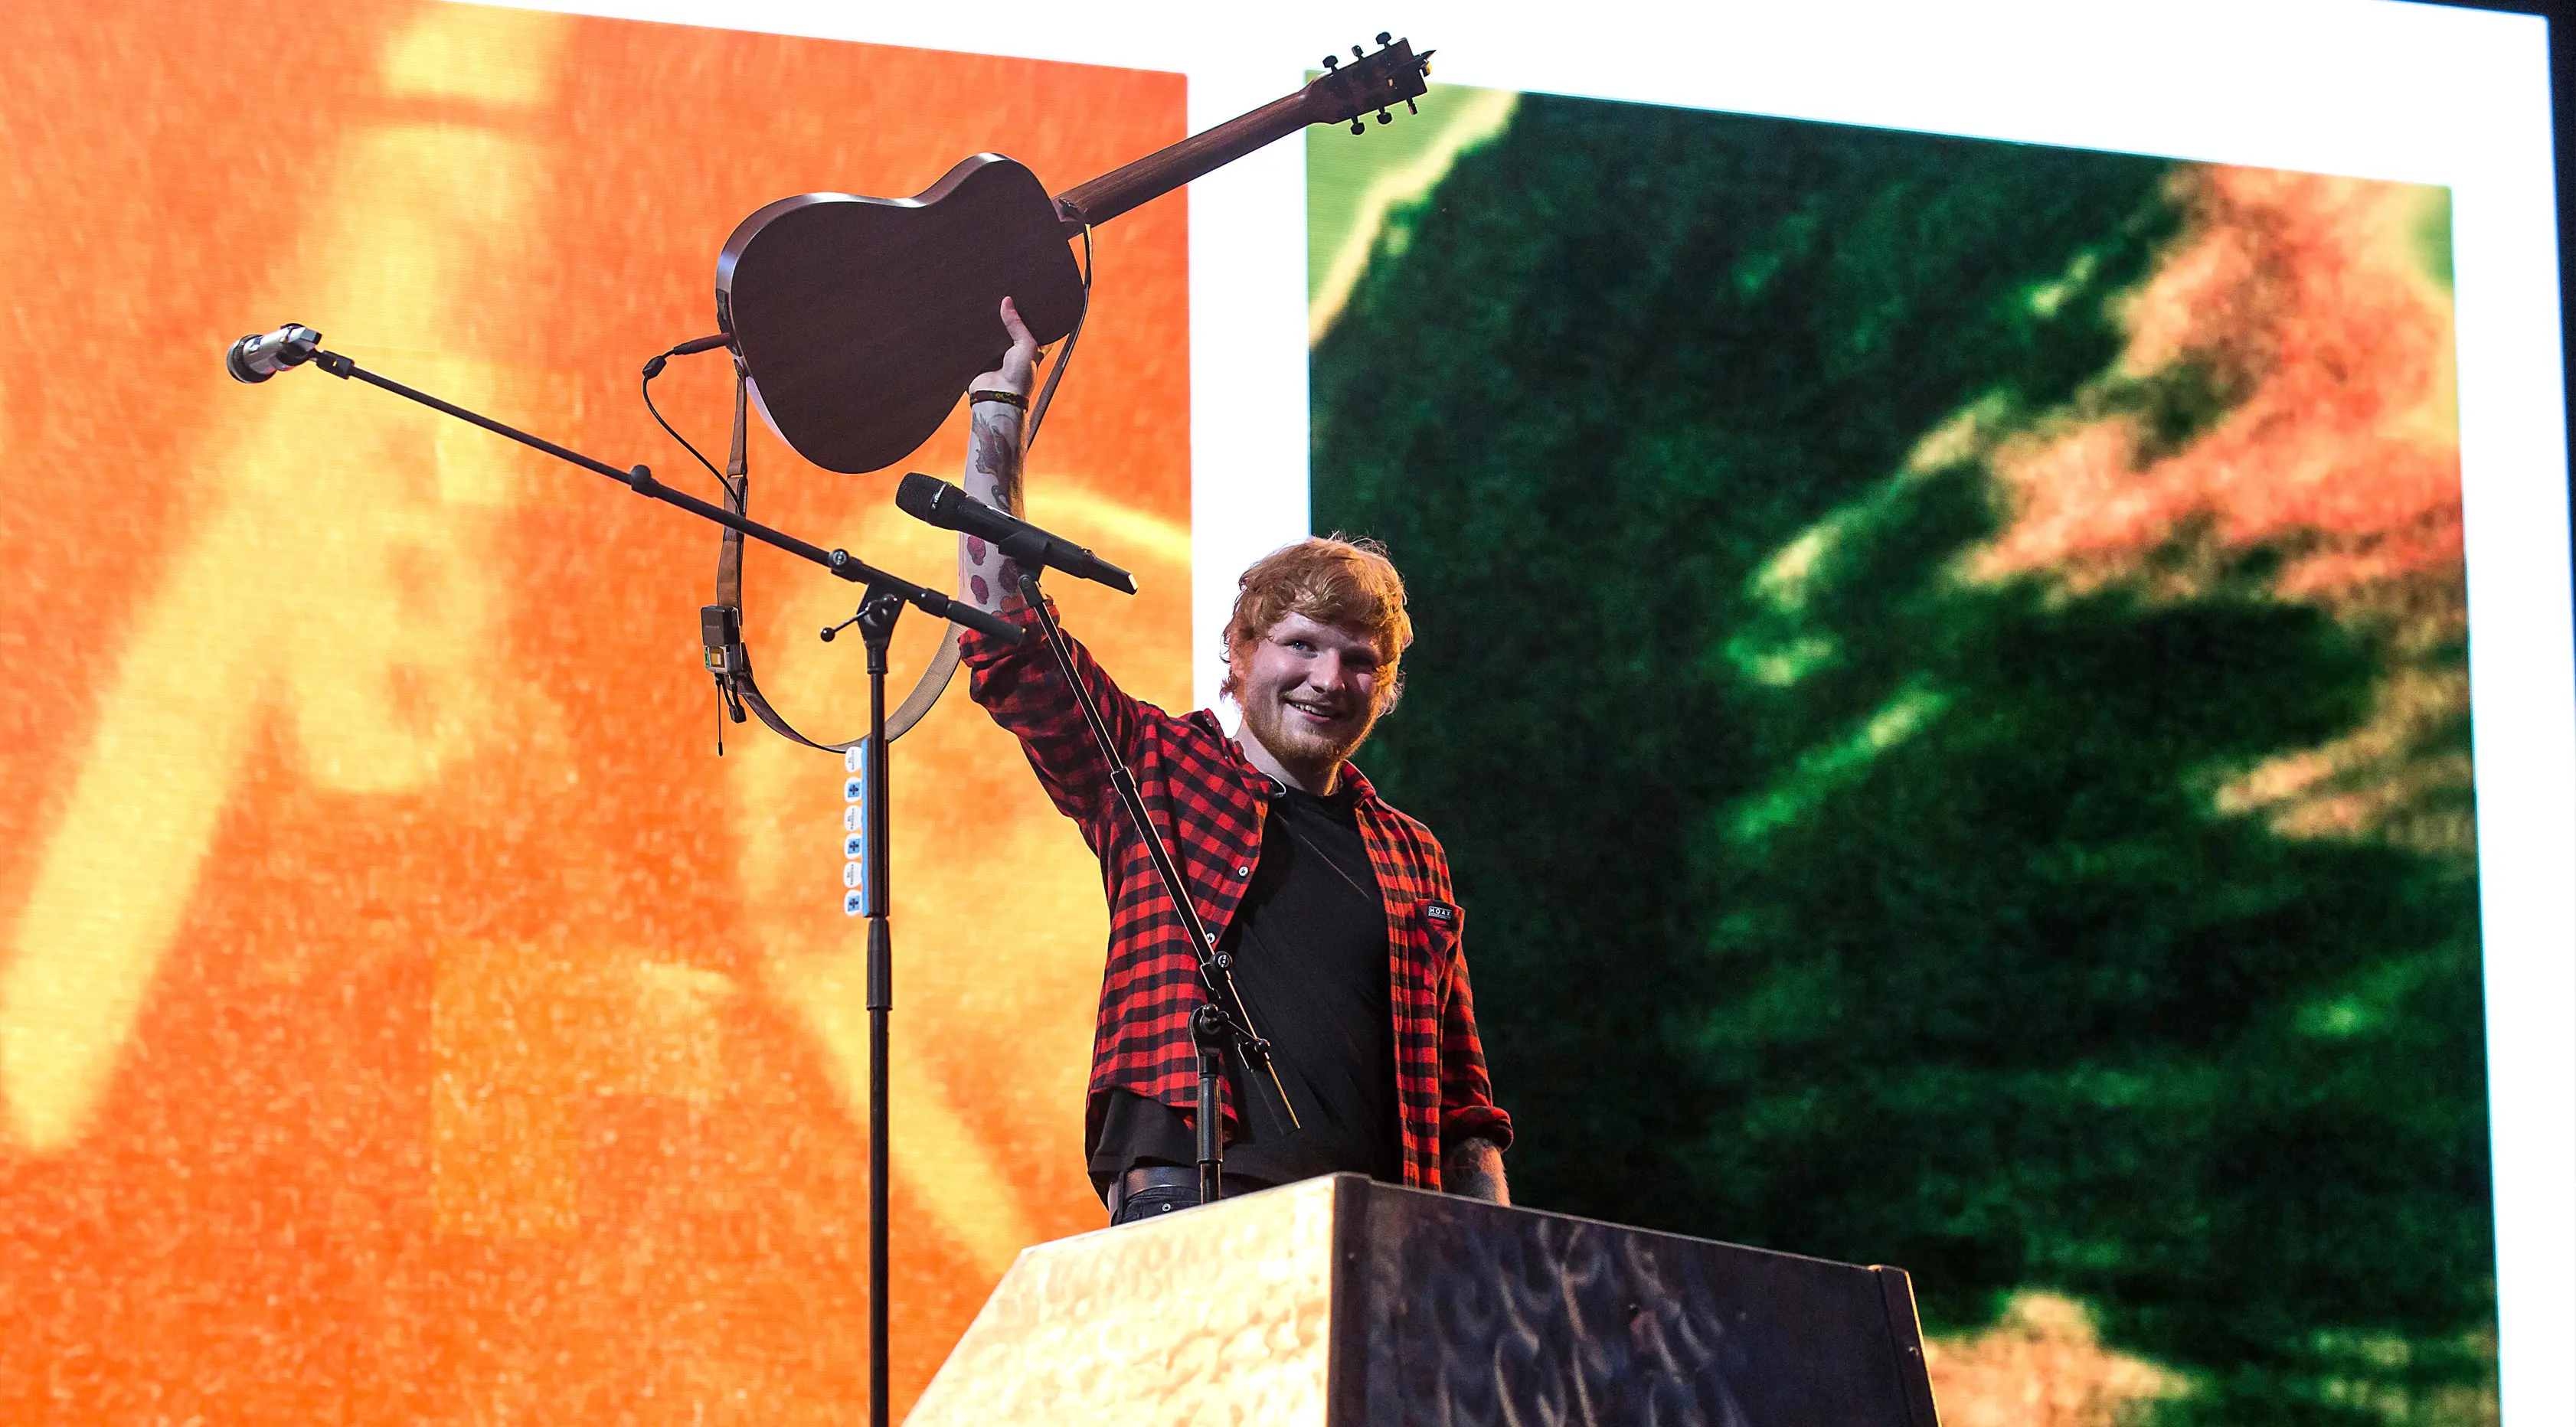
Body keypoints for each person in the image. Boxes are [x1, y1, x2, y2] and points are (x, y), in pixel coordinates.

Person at [952, 299, 1511, 1225]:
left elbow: (1464, 1103)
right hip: (1190, 1196)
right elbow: (1006, 635)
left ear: (1386, 684)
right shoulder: (1155, 770)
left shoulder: (1414, 854)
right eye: (1301, 645)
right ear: (1241, 651)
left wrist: (1497, 1262)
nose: (1328, 678)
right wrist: (998, 410)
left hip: (1384, 1229)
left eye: (1359, 659)